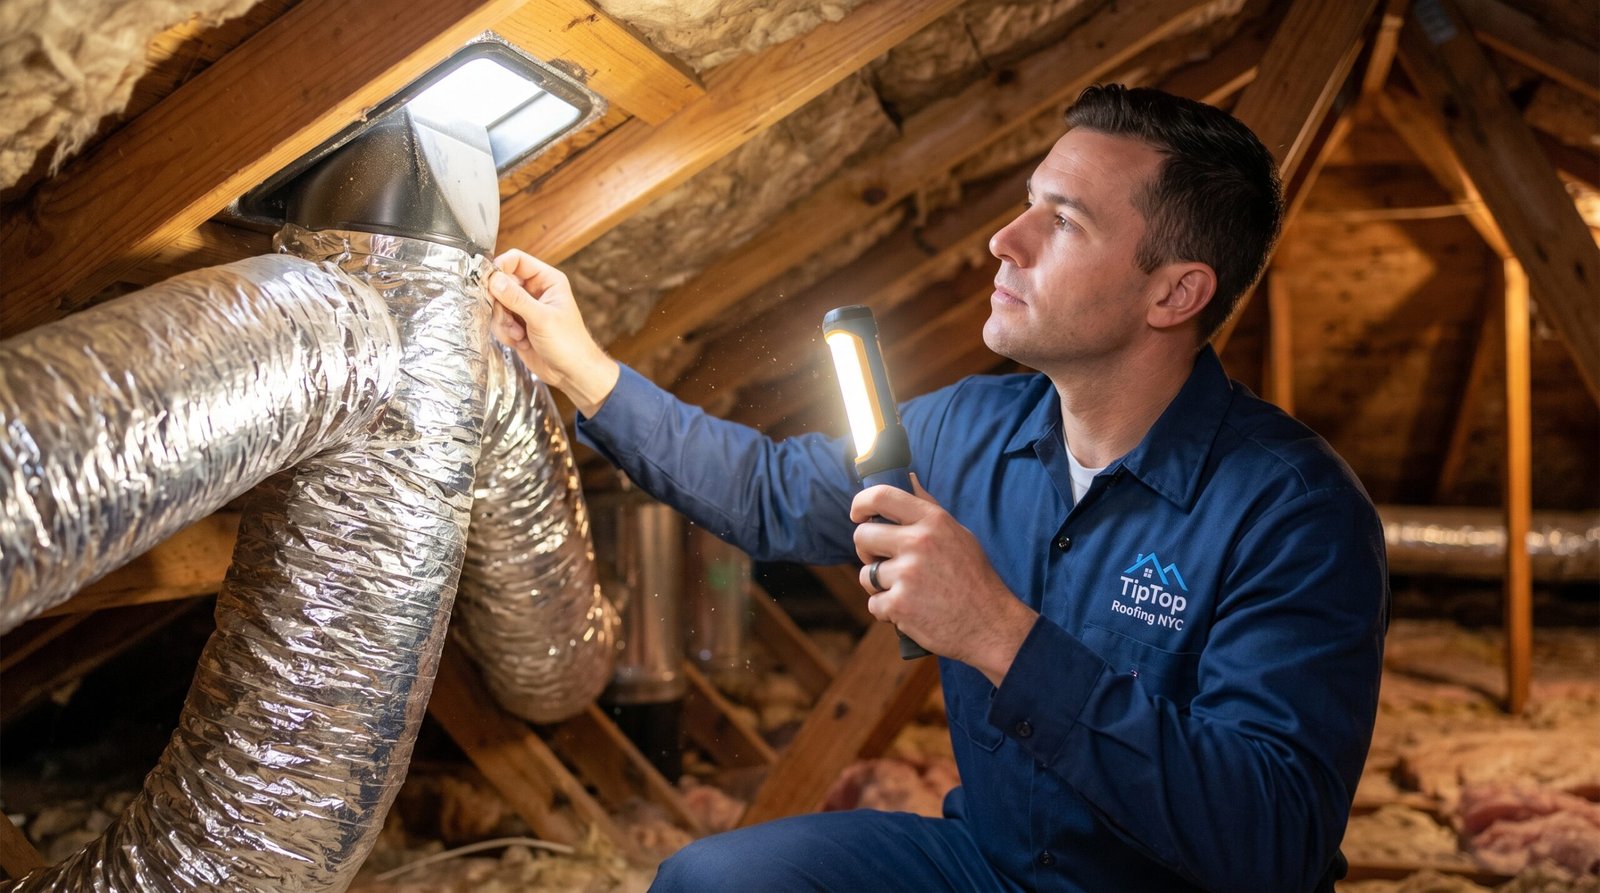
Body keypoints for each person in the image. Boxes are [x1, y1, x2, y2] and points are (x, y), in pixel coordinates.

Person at [487, 84, 1389, 893]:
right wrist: (583, 368)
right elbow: (766, 490)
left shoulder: (1293, 513)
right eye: (1028, 203)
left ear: (1174, 293)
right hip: (988, 864)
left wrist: (1000, 633)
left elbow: (1273, 840)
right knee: (711, 880)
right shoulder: (967, 427)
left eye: (1064, 222)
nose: (1006, 239)